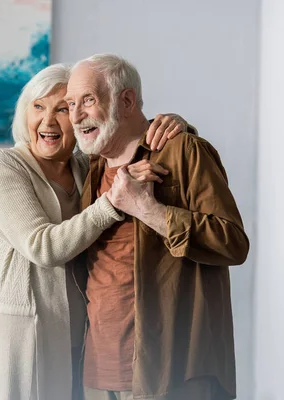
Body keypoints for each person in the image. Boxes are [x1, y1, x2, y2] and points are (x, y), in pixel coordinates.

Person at [0, 62, 191, 400]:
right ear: (24, 113)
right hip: (24, 333)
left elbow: (128, 136)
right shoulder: (4, 166)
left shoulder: (85, 166)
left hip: (81, 335)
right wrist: (113, 202)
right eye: (38, 107)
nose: (48, 121)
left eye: (63, 108)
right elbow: (43, 247)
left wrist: (178, 124)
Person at [64, 54, 249, 400]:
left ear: (127, 100)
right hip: (98, 373)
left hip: (174, 370)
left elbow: (233, 242)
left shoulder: (183, 151)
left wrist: (149, 210)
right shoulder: (85, 167)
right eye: (71, 103)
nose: (75, 116)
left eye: (88, 100)